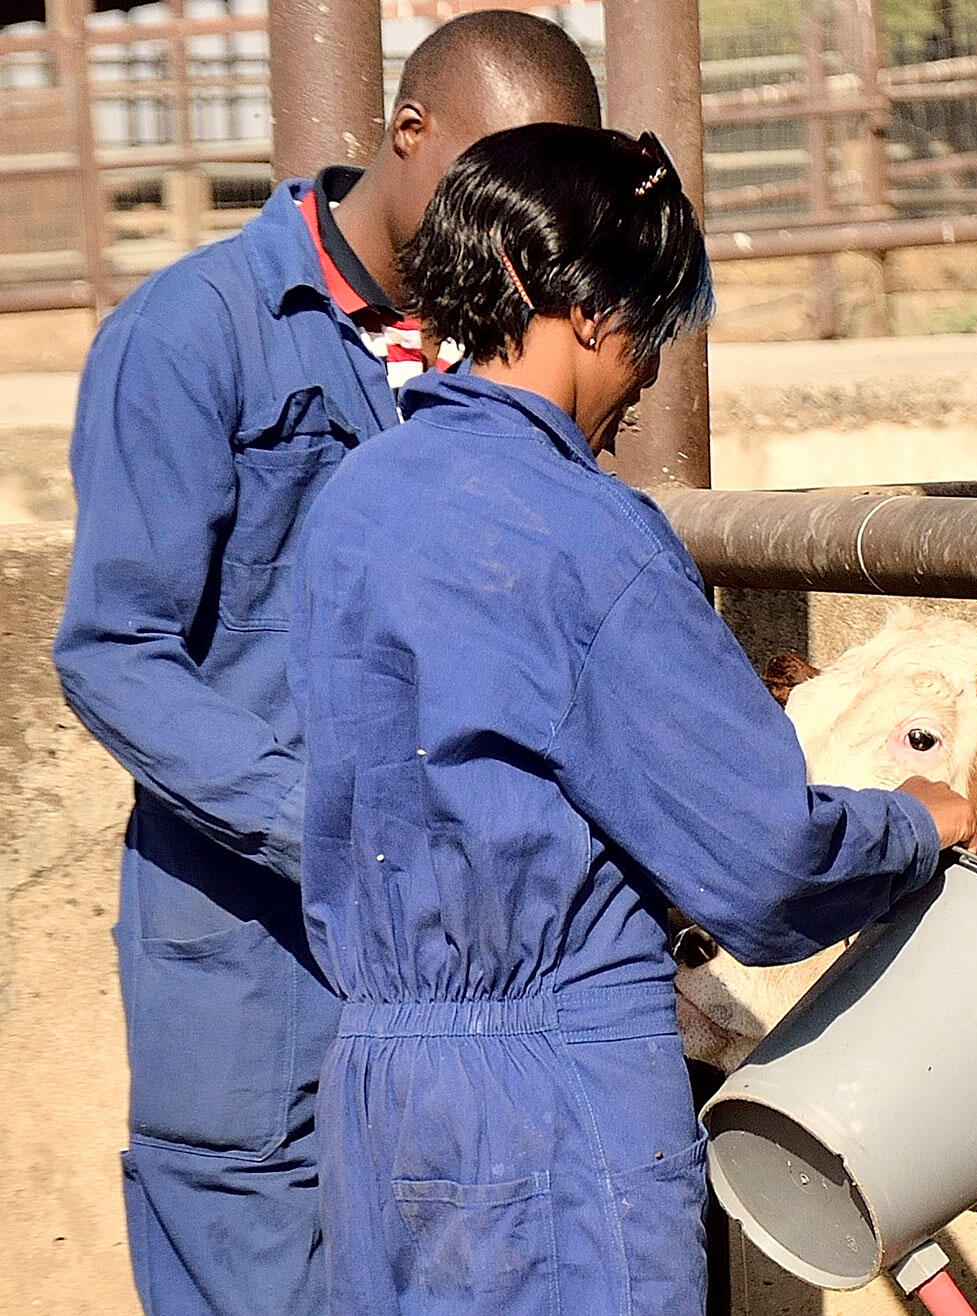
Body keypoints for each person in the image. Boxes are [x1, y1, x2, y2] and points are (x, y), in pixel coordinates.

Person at [289, 122, 977, 1315]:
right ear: (565, 296)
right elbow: (762, 860)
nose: (652, 369)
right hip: (551, 1099)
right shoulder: (590, 538)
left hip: (376, 1092)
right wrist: (909, 827)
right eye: (647, 323)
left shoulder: (356, 500)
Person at [50, 14, 602, 1316]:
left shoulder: (512, 357)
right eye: (496, 185)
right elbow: (113, 650)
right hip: (252, 964)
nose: (523, 235)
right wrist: (339, 825)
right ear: (409, 135)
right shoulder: (195, 335)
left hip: (463, 980)